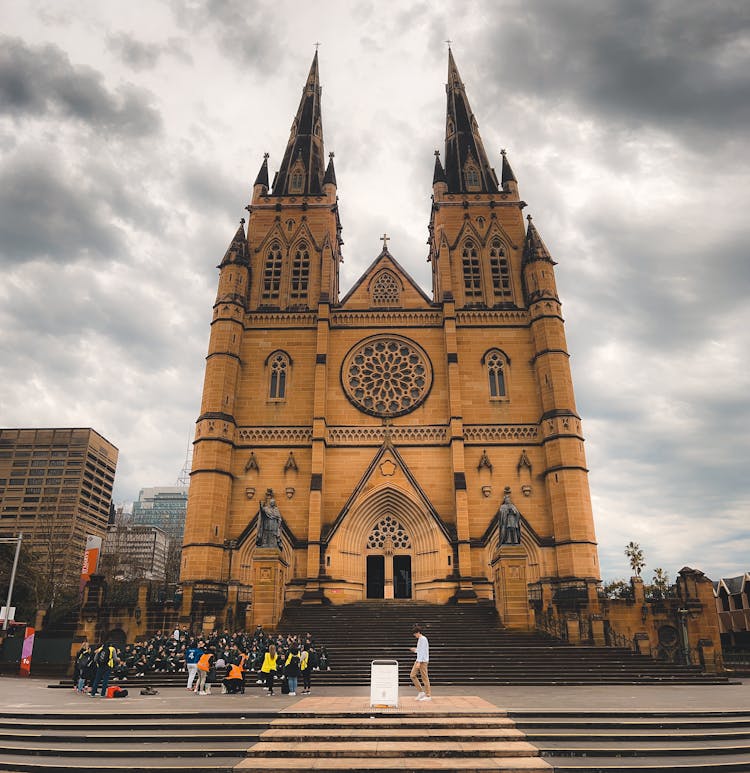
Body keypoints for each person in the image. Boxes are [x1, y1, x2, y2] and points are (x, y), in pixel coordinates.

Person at [409, 624, 431, 701]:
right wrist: (415, 650)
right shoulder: (420, 639)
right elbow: (420, 650)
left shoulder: (423, 639)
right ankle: (421, 692)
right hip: (419, 660)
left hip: (422, 661)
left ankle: (428, 695)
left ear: (418, 632)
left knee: (424, 677)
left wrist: (418, 662)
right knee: (412, 675)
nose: (415, 635)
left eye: (415, 634)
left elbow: (422, 651)